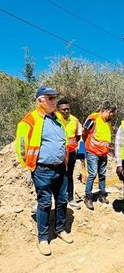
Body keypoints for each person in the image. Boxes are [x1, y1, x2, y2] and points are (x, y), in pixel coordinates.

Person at [15, 86, 74, 256]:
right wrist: (30, 164)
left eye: (55, 98)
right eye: (50, 98)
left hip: (60, 169)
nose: (54, 101)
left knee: (62, 201)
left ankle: (60, 229)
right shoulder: (30, 119)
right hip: (42, 170)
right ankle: (42, 238)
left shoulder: (59, 119)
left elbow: (64, 141)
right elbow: (21, 144)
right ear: (40, 100)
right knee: (45, 203)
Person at [82, 101, 116, 210]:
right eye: (112, 113)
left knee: (102, 174)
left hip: (103, 153)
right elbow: (84, 132)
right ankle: (88, 197)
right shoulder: (93, 118)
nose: (113, 116)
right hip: (92, 151)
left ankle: (102, 195)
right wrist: (87, 146)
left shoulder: (108, 122)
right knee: (92, 174)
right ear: (105, 110)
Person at [57, 98, 83, 209]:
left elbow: (78, 136)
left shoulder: (75, 120)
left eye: (68, 109)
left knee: (69, 176)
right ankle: (57, 199)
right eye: (64, 109)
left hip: (71, 153)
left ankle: (70, 198)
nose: (67, 111)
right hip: (57, 154)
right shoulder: (54, 120)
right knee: (56, 176)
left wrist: (74, 148)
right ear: (58, 110)